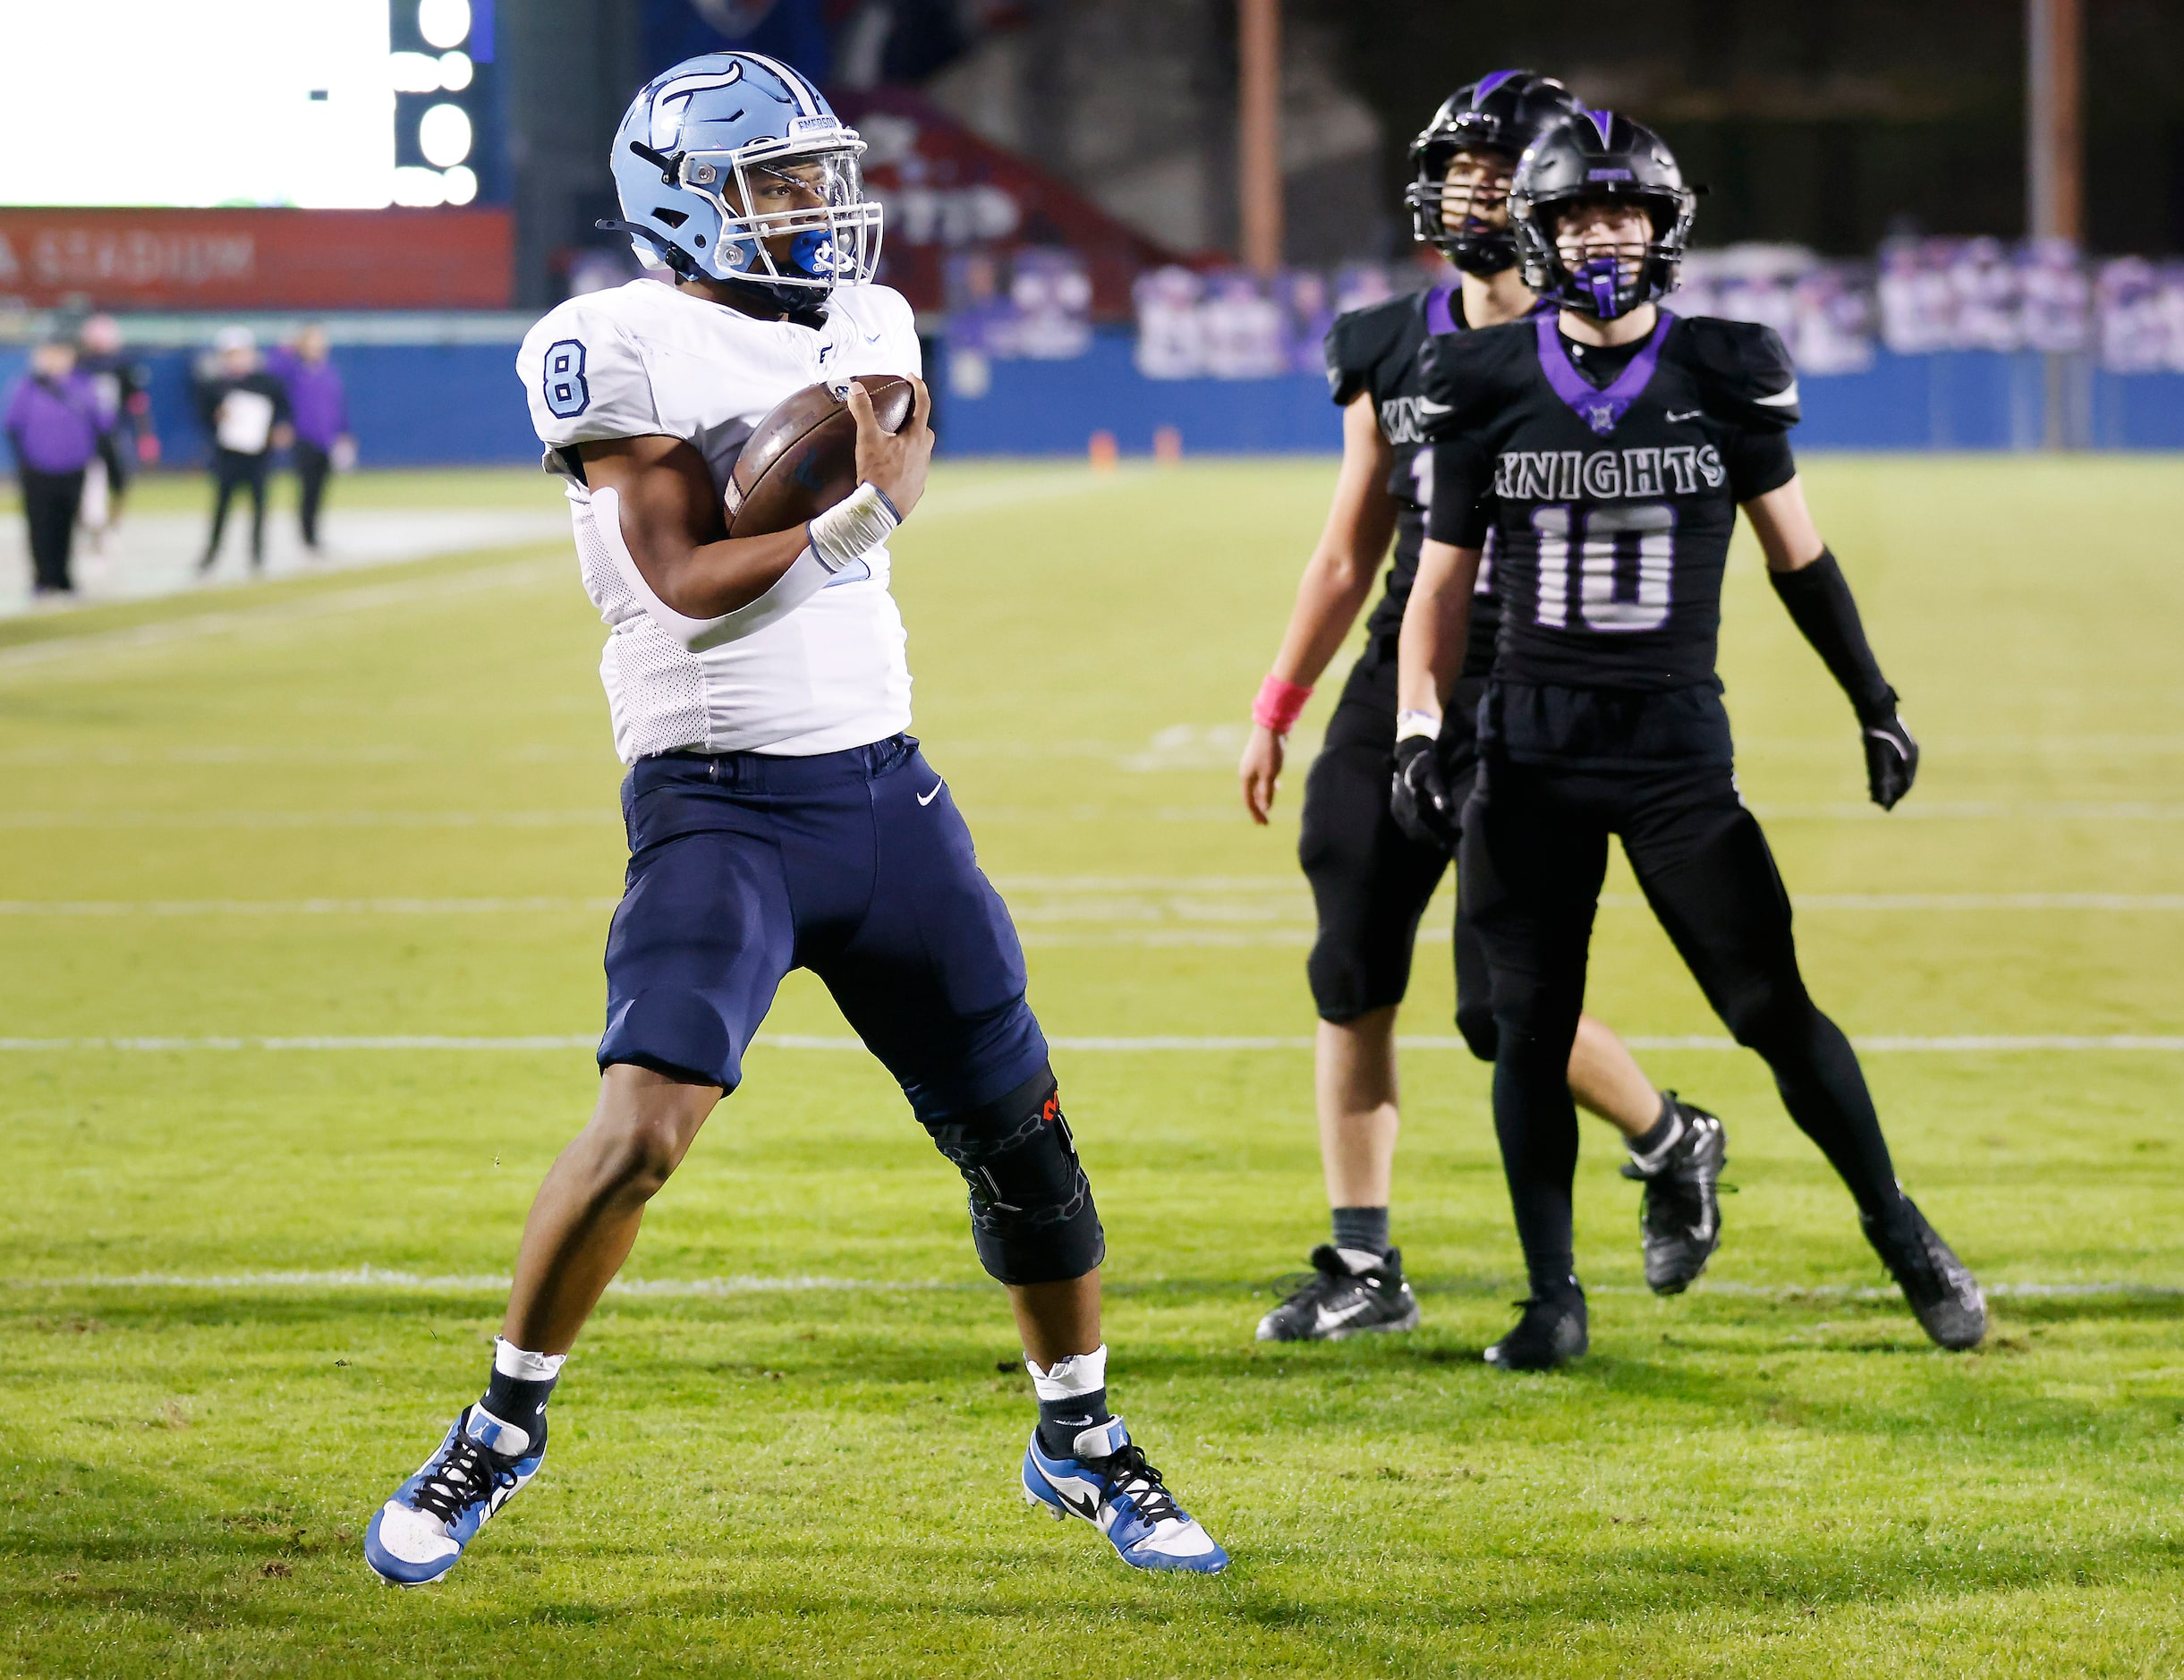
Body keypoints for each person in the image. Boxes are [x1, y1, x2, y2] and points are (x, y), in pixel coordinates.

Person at [362, 53, 1228, 1590]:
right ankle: (497, 1427)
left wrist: (854, 481)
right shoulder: (606, 342)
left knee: (1021, 1135)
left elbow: (892, 431)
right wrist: (851, 515)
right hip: (719, 805)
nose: (815, 208)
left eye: (820, 176)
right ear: (675, 203)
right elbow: (682, 590)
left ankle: (1079, 1437)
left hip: (888, 793)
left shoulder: (865, 314)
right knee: (642, 1129)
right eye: (773, 184)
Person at [1394, 110, 1985, 1370]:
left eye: (1626, 214)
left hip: (1675, 757)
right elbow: (1439, 587)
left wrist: (1871, 696)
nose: (1604, 235)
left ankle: (1903, 1232)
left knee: (1770, 1005)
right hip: (1533, 755)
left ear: (1665, 228)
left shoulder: (1722, 367)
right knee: (1528, 1023)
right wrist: (1417, 724)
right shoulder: (1485, 379)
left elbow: (1797, 555)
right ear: (1539, 236)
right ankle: (1551, 1295)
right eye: (1577, 217)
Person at [1239, 73, 1728, 1347]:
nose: (1474, 192)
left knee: (1489, 1006)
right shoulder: (1385, 342)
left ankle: (1672, 1133)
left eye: (1499, 169)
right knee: (1347, 961)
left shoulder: (1603, 349)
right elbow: (1351, 548)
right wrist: (1278, 701)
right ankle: (1362, 1262)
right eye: (1458, 168)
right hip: (1401, 672)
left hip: (1536, 684)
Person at [4, 336, 107, 599]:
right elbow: (12, 424)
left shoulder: (84, 385)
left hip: (73, 466)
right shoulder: (28, 387)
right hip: (38, 468)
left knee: (67, 523)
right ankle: (43, 578)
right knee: (40, 524)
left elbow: (103, 422)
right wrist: (25, 461)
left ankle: (63, 577)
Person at [193, 326, 292, 574]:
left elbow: (283, 410)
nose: (237, 359)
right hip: (228, 455)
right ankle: (212, 553)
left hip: (259, 455)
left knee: (259, 505)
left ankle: (257, 555)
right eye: (232, 354)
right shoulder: (215, 385)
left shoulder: (266, 383)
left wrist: (280, 429)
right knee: (222, 505)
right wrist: (216, 417)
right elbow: (204, 418)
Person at [74, 314, 157, 552]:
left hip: (115, 432)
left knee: (120, 482)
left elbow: (138, 403)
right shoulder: (81, 364)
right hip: (86, 435)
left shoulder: (123, 366)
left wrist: (146, 436)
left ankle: (111, 527)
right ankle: (89, 530)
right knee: (83, 484)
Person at [268, 325, 353, 553]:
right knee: (306, 488)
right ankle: (306, 537)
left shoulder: (329, 372)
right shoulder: (294, 371)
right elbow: (272, 368)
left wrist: (344, 434)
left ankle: (315, 535)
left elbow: (337, 406)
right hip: (304, 438)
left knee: (320, 489)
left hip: (327, 439)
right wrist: (285, 348)